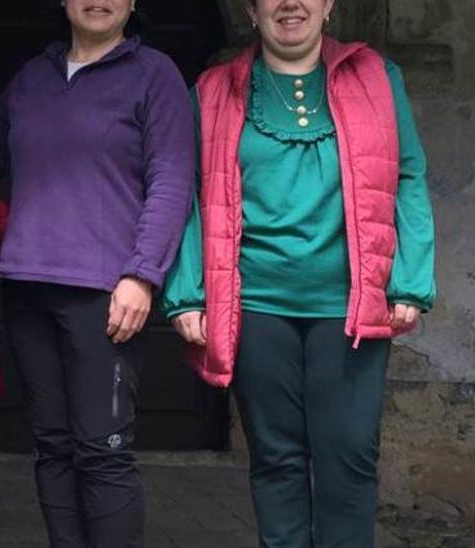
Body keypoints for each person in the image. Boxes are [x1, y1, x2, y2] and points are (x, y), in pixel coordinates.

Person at [162, 0, 437, 546]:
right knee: (276, 457)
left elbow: (408, 175)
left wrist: (409, 277)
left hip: (351, 304)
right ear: (251, 9)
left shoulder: (378, 78)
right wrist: (187, 293)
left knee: (350, 455)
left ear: (329, 5)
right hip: (257, 304)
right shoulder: (215, 90)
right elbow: (190, 193)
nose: (291, 4)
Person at [0, 1, 195, 545]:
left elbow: (172, 179)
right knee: (54, 448)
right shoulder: (33, 76)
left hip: (106, 293)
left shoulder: (154, 74)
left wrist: (142, 275)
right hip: (26, 287)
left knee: (102, 451)